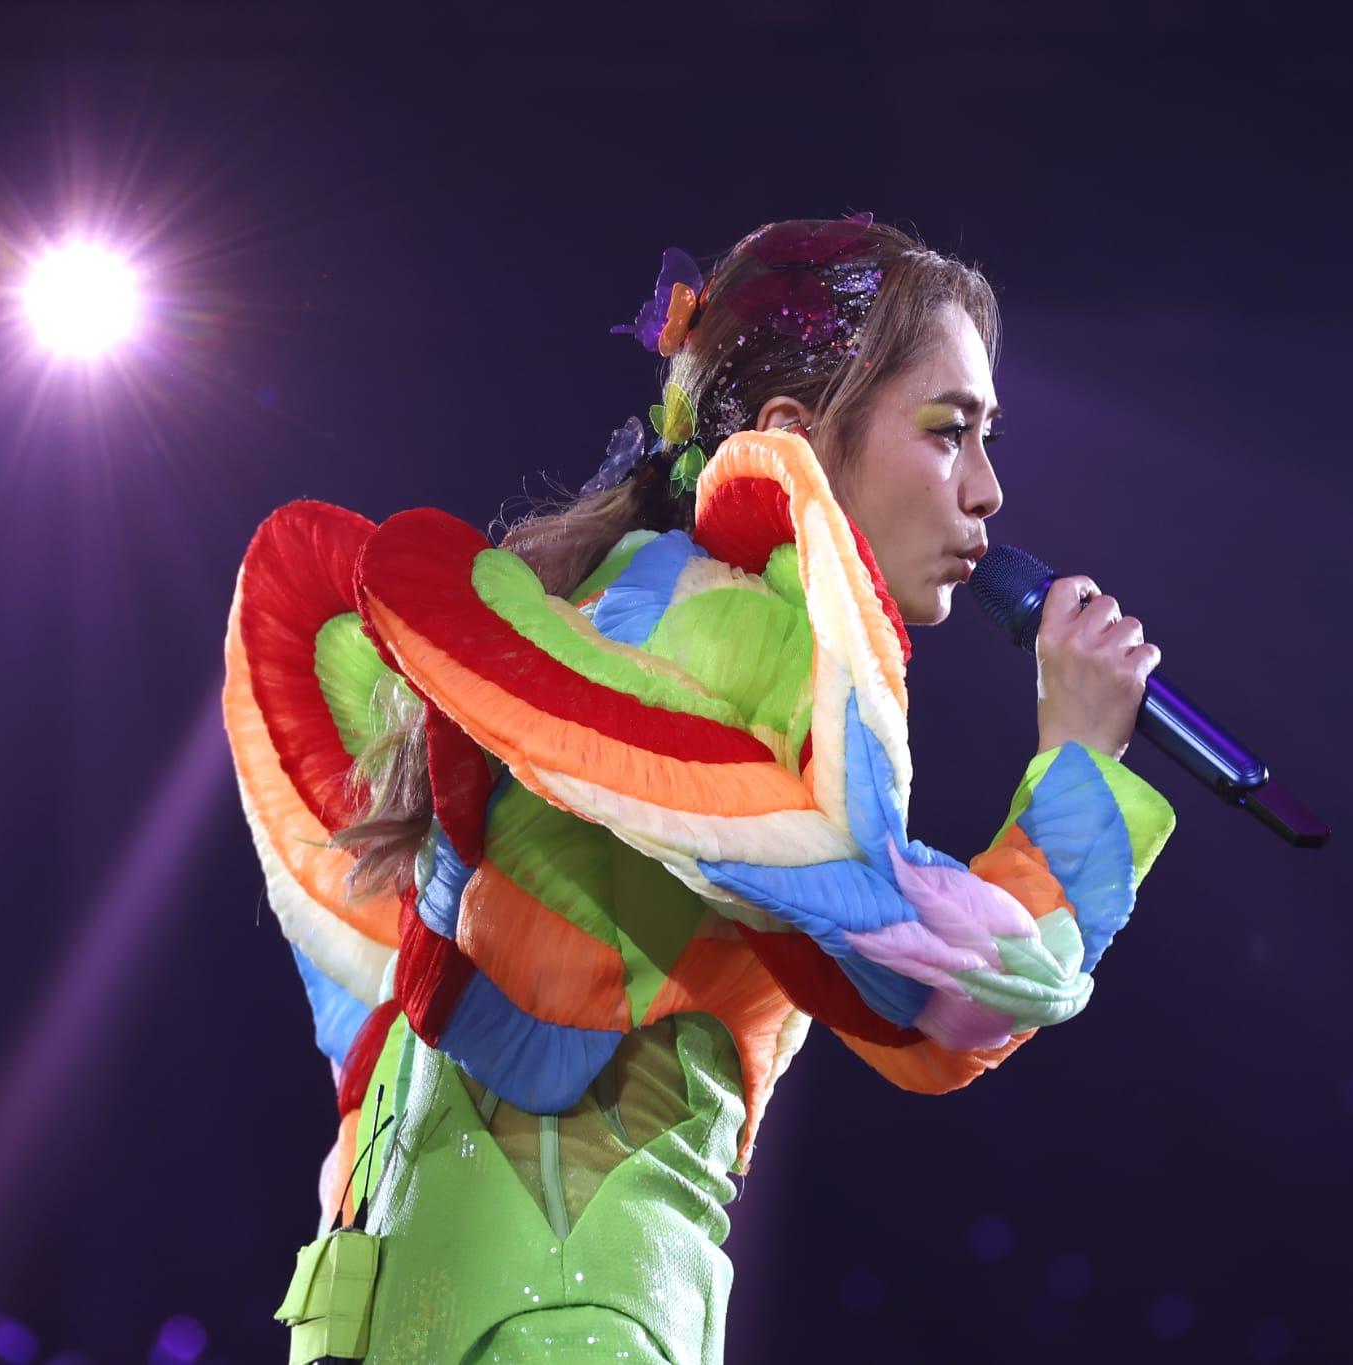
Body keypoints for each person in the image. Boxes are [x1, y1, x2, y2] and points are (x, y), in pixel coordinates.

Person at [222, 213, 1177, 1364]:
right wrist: (1080, 763)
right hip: (563, 1320)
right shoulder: (745, 630)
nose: (986, 491)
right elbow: (953, 995)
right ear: (790, 441)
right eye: (946, 432)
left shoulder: (607, 608)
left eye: (987, 437)